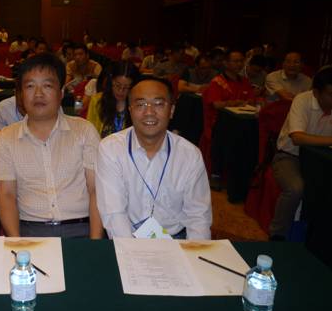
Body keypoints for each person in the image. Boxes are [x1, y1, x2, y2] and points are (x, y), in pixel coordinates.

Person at [0, 54, 103, 238]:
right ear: (20, 94)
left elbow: (96, 190)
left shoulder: (84, 130)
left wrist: (95, 242)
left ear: (61, 92)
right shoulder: (6, 137)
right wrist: (16, 242)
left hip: (81, 228)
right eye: (30, 86)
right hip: (30, 231)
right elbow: (6, 196)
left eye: (47, 86)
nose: (38, 94)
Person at [96, 77, 212, 239]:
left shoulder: (190, 155)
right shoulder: (111, 148)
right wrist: (131, 251)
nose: (149, 112)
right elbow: (114, 213)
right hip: (127, 238)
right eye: (141, 104)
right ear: (130, 110)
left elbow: (198, 217)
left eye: (158, 104)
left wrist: (194, 251)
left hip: (176, 239)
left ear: (171, 110)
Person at [269, 66, 332, 240]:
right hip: (290, 156)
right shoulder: (303, 100)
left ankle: (319, 239)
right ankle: (277, 235)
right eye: (331, 94)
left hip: (323, 161)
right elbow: (297, 138)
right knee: (295, 189)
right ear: (316, 93)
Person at [202, 49, 255, 189]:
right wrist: (234, 102)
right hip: (219, 122)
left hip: (242, 121)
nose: (239, 64)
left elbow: (251, 100)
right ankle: (216, 174)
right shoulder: (217, 82)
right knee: (223, 134)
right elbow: (216, 104)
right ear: (226, 63)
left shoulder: (244, 81)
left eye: (241, 61)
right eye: (235, 61)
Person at [86, 61, 139, 138]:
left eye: (126, 87)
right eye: (117, 85)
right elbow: (90, 131)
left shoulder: (137, 104)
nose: (121, 91)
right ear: (111, 81)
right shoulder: (97, 100)